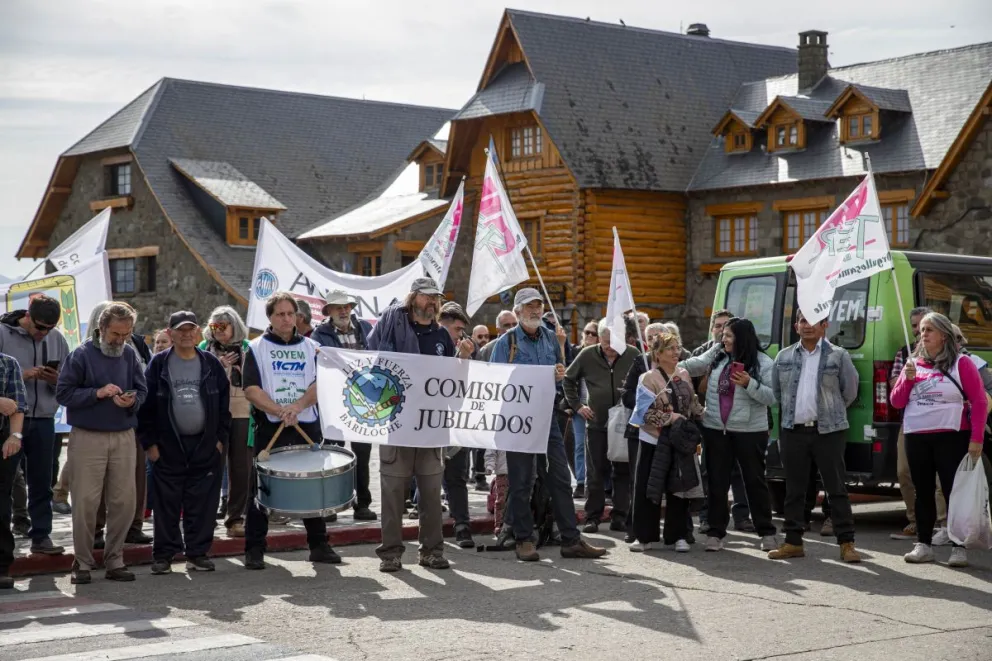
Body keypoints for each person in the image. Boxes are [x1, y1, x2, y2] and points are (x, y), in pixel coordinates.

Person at [490, 288, 606, 562]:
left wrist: (557, 374)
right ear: (517, 312)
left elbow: (558, 374)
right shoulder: (506, 343)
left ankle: (570, 539)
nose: (535, 311)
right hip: (518, 420)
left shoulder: (552, 339)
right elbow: (494, 381)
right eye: (529, 307)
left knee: (561, 478)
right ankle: (523, 539)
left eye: (538, 306)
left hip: (548, 416)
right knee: (521, 481)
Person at [367, 277, 474, 571]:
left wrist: (461, 358)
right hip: (399, 421)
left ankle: (432, 551)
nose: (432, 302)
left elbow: (447, 381)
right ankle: (390, 553)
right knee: (392, 493)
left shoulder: (441, 335)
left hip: (430, 425)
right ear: (413, 297)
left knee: (430, 491)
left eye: (435, 298)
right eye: (427, 297)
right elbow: (373, 363)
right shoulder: (392, 327)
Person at [242, 292, 340, 570]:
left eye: (290, 313)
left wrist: (296, 407)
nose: (286, 319)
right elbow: (250, 389)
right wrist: (278, 410)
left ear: (297, 315)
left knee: (313, 484)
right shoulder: (256, 347)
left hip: (305, 424)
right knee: (262, 489)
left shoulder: (312, 347)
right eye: (279, 314)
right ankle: (255, 549)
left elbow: (319, 384)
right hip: (270, 428)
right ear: (270, 318)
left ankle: (319, 545)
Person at [56, 302, 148, 584]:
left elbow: (142, 390)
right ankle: (82, 563)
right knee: (85, 501)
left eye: (126, 334)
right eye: (116, 334)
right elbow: (63, 393)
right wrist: (96, 393)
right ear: (101, 329)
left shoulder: (130, 355)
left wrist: (132, 400)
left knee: (124, 501)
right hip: (87, 436)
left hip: (123, 435)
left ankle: (115, 559)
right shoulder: (81, 355)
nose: (121, 340)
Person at [890, 312, 987, 568]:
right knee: (922, 492)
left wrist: (976, 439)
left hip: (952, 435)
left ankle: (958, 546)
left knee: (953, 491)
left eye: (929, 330)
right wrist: (907, 381)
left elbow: (978, 402)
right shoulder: (913, 363)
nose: (923, 334)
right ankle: (923, 544)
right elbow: (896, 402)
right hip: (917, 436)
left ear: (943, 335)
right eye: (921, 330)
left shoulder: (962, 364)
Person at [139, 311, 231, 574]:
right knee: (166, 504)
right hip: (168, 446)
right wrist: (150, 445)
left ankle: (197, 553)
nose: (187, 334)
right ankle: (164, 556)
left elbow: (224, 407)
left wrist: (219, 441)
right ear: (170, 333)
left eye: (191, 329)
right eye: (180, 330)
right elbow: (145, 409)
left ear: (199, 331)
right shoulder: (157, 364)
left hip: (205, 445)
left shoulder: (211, 364)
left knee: (202, 504)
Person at [768, 309, 861, 563]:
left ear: (825, 325)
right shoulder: (784, 356)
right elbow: (777, 391)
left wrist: (830, 412)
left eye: (813, 321)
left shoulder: (838, 356)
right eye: (802, 321)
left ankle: (847, 543)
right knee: (794, 490)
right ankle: (793, 542)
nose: (807, 326)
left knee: (836, 488)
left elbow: (850, 390)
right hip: (793, 431)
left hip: (828, 431)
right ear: (796, 326)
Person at [680, 317, 778, 552]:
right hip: (715, 429)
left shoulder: (763, 362)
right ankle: (715, 532)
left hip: (750, 431)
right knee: (716, 482)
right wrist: (669, 363)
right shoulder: (717, 354)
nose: (723, 339)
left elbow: (773, 397)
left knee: (754, 481)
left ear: (742, 338)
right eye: (723, 334)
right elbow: (695, 364)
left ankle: (766, 532)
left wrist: (748, 383)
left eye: (729, 336)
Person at [0, 295, 69, 555]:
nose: (44, 334)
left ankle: (42, 536)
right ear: (27, 316)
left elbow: (69, 383)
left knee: (42, 482)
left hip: (43, 419)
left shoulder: (57, 339)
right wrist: (23, 375)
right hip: (7, 420)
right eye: (40, 327)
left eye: (50, 329)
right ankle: (5, 542)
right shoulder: (3, 334)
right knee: (4, 483)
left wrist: (56, 379)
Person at [629, 332, 703, 551]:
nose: (675, 353)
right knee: (647, 487)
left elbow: (694, 405)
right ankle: (643, 537)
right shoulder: (648, 378)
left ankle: (678, 535)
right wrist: (670, 417)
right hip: (654, 439)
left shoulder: (684, 374)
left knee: (679, 488)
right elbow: (642, 414)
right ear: (658, 353)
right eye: (670, 349)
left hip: (679, 442)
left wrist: (707, 416)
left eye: (677, 348)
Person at [564, 318, 637, 534]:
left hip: (624, 423)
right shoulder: (587, 354)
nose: (610, 349)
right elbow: (568, 379)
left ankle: (620, 516)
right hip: (596, 423)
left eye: (614, 344)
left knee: (622, 471)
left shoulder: (633, 354)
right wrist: (578, 406)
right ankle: (592, 517)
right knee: (595, 472)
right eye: (606, 343)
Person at [310, 290, 377, 522]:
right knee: (333, 454)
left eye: (347, 306)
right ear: (328, 311)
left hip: (364, 403)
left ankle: (363, 504)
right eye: (338, 307)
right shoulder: (319, 334)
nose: (344, 310)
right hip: (333, 402)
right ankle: (331, 504)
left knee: (363, 454)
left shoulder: (366, 329)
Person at [689, 310, 752, 534]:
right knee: (710, 472)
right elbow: (695, 388)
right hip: (711, 422)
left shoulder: (746, 353)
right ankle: (708, 517)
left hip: (739, 423)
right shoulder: (702, 354)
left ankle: (742, 516)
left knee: (739, 472)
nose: (721, 332)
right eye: (717, 326)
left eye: (726, 327)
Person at [889, 307, 944, 541]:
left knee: (942, 478)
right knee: (904, 471)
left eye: (924, 326)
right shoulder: (905, 354)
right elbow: (894, 387)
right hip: (911, 423)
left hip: (943, 426)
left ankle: (944, 524)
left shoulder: (950, 356)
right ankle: (915, 520)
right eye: (915, 326)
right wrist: (907, 377)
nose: (919, 331)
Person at [199, 306, 253, 537]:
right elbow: (196, 380)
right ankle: (207, 517)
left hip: (242, 412)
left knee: (241, 469)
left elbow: (259, 381)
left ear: (234, 327)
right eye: (214, 327)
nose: (218, 331)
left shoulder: (249, 348)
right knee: (211, 467)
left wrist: (242, 368)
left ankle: (236, 518)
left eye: (223, 326)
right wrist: (219, 366)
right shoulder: (203, 349)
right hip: (214, 413)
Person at [436, 302, 479, 549]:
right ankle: (428, 527)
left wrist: (465, 360)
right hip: (428, 424)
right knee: (427, 476)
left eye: (463, 330)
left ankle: (462, 525)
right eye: (456, 329)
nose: (460, 335)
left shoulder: (470, 350)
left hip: (457, 425)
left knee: (456, 477)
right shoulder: (428, 346)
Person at [0, 351, 26, 588]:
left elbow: (18, 404)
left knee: (1, 505)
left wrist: (15, 436)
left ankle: (2, 566)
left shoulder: (8, 362)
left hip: (2, 439)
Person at [569, 321, 602, 500]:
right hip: (580, 407)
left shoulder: (602, 356)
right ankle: (581, 483)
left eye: (593, 333)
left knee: (599, 447)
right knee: (580, 445)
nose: (589, 336)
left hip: (599, 408)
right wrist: (574, 405)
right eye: (586, 332)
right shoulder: (575, 353)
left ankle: (599, 483)